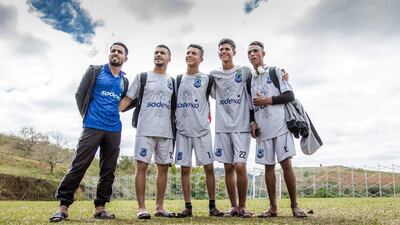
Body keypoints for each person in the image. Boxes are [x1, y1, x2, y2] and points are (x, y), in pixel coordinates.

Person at [49, 42, 130, 222]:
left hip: (114, 129)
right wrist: (86, 116)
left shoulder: (124, 80)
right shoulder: (95, 70)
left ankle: (100, 208)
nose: (115, 53)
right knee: (79, 165)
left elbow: (125, 103)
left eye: (120, 52)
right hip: (92, 125)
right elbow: (79, 94)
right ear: (109, 54)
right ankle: (62, 207)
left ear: (125, 58)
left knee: (108, 170)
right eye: (113, 50)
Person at [247, 41, 308, 218]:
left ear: (263, 53)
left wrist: (267, 101)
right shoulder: (249, 79)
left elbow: (290, 95)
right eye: (249, 52)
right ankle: (272, 207)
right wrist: (252, 122)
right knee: (268, 167)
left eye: (255, 51)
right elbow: (250, 106)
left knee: (286, 164)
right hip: (262, 130)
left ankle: (295, 206)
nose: (252, 54)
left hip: (280, 126)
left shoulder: (275, 71)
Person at [119, 44, 176, 220]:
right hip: (145, 130)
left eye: (162, 53)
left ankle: (159, 207)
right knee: (142, 166)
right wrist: (110, 114)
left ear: (169, 58)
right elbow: (127, 100)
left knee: (163, 169)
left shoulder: (172, 81)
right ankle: (142, 207)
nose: (158, 55)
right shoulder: (142, 77)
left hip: (166, 132)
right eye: (156, 52)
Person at [174, 44, 224, 218]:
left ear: (201, 58)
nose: (190, 55)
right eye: (187, 52)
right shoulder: (178, 79)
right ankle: (188, 207)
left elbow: (221, 94)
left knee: (209, 168)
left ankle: (212, 206)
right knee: (185, 169)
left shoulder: (206, 79)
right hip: (182, 131)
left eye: (194, 53)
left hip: (202, 130)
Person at [209, 39, 254, 218]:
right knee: (228, 167)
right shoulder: (213, 75)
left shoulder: (244, 71)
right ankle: (234, 207)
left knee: (240, 166)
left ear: (234, 52)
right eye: (221, 49)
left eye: (227, 49)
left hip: (241, 126)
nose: (224, 51)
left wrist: (253, 120)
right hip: (222, 127)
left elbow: (256, 84)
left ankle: (243, 206)